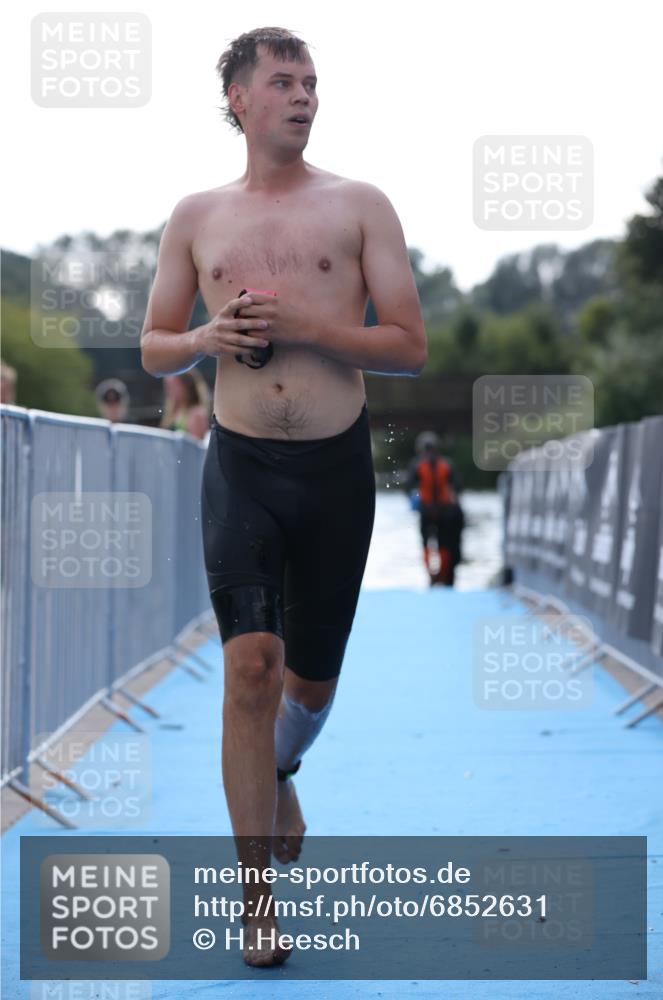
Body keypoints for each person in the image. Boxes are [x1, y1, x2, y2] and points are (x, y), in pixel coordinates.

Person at [140, 26, 426, 967]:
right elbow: (152, 344)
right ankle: (255, 900)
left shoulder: (358, 205)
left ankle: (285, 765)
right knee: (250, 670)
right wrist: (206, 337)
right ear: (237, 100)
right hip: (242, 467)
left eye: (312, 82)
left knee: (308, 685)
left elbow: (408, 345)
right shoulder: (196, 215)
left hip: (335, 474)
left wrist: (306, 321)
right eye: (284, 81)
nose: (304, 95)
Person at [405, 430, 464, 587]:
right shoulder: (446, 464)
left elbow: (409, 488)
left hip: (425, 511)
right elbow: (457, 487)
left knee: (425, 542)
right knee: (444, 543)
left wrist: (414, 502)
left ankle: (431, 576)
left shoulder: (416, 465)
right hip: (446, 511)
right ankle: (442, 577)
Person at [159, 370, 210, 439]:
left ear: (185, 386)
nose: (168, 390)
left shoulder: (196, 413)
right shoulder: (172, 413)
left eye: (172, 386)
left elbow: (196, 446)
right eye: (167, 386)